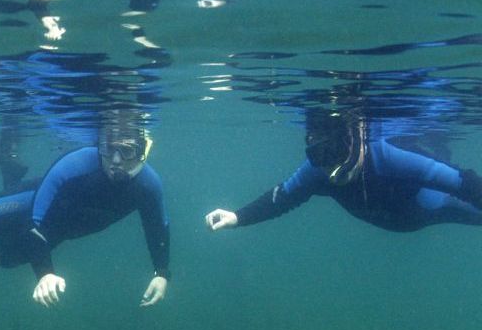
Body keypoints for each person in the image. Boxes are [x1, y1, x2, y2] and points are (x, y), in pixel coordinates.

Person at [0, 110, 171, 307]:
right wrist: (45, 273)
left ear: (141, 151)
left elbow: (157, 228)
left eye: (126, 150)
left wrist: (161, 274)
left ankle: (10, 174)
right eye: (108, 148)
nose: (116, 160)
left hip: (50, 233)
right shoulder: (76, 163)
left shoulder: (148, 186)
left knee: (5, 259)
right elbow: (35, 220)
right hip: (28, 206)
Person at [205, 107, 482, 235]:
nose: (328, 165)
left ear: (354, 140)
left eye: (334, 151)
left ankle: (438, 143)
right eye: (317, 155)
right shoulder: (316, 171)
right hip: (400, 220)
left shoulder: (387, 158)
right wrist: (238, 217)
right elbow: (282, 199)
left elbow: (461, 182)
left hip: (427, 211)